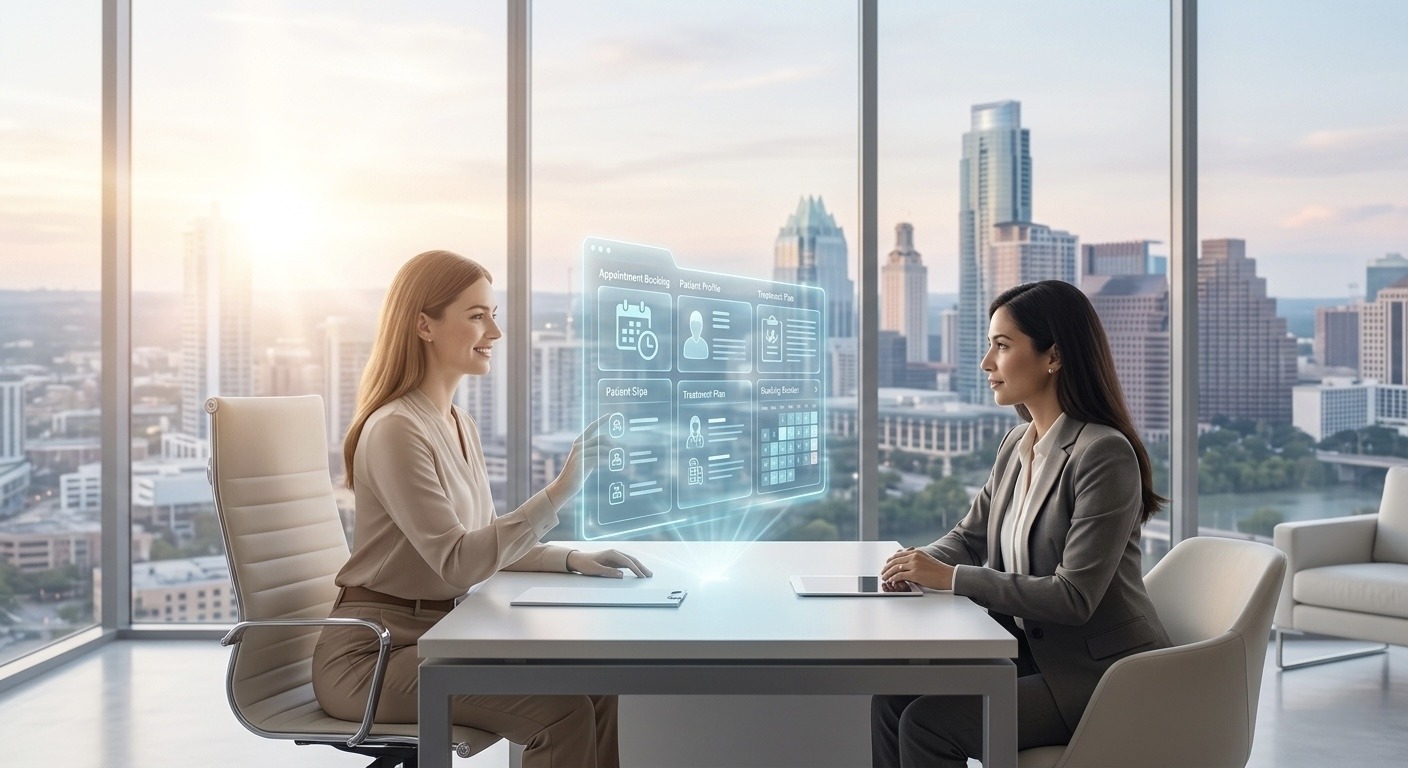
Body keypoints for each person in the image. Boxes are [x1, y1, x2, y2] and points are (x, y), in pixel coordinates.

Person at [312, 250, 651, 768]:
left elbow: (483, 542)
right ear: (424, 325)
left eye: (493, 314)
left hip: (436, 638)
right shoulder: (396, 429)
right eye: (477, 316)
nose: (494, 331)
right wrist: (560, 489)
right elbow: (459, 563)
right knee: (560, 714)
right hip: (373, 658)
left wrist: (568, 558)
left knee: (594, 686)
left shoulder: (458, 423)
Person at [871, 280, 1171, 767]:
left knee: (927, 724)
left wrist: (949, 579)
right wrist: (911, 565)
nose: (987, 363)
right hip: (1031, 656)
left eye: (1002, 346)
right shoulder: (1017, 444)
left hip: (1097, 675)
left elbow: (1073, 597)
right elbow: (968, 538)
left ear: (1052, 356)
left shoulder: (1103, 453)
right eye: (989, 346)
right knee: (891, 699)